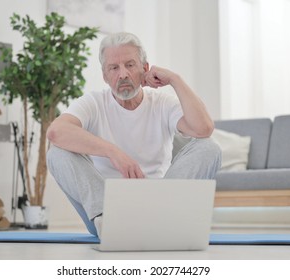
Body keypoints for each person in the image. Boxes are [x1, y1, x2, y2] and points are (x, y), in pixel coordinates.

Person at [46, 32, 221, 236]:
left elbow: (204, 128)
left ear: (144, 68)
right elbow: (56, 132)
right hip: (107, 210)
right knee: (56, 153)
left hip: (158, 207)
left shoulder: (162, 104)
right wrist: (114, 152)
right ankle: (111, 223)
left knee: (210, 147)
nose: (123, 74)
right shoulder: (93, 103)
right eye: (114, 68)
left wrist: (175, 79)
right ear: (105, 76)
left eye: (130, 65)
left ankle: (161, 219)